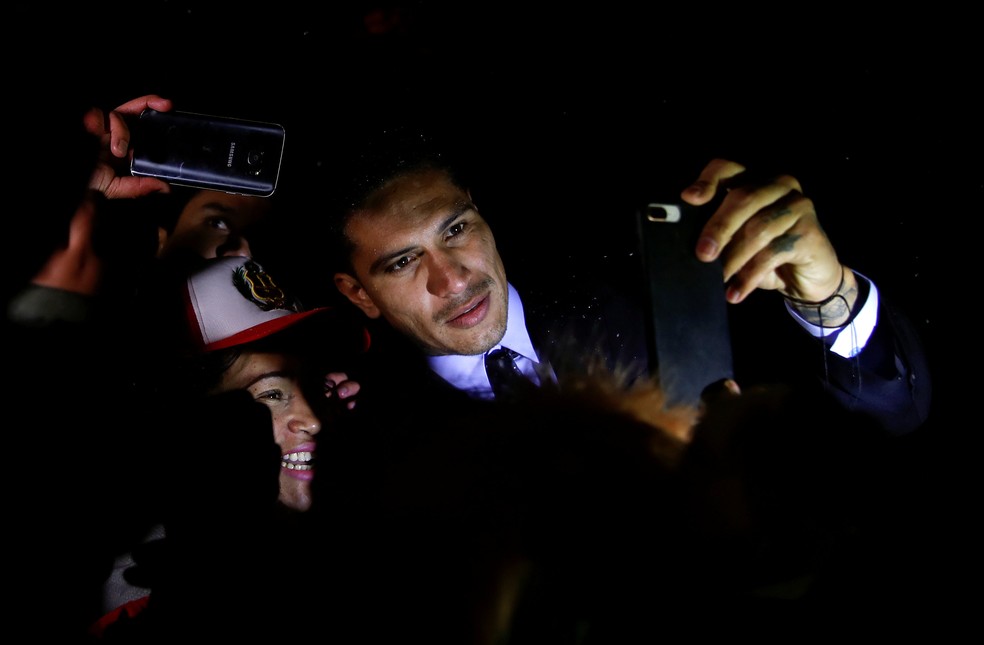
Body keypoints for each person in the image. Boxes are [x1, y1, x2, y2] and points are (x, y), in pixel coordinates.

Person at [322, 126, 930, 438]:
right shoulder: (374, 434)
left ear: (481, 215)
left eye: (455, 229)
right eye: (403, 262)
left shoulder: (651, 297)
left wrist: (826, 298)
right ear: (357, 293)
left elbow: (887, 418)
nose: (452, 278)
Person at [90, 254, 369, 642]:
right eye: (271, 395)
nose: (313, 419)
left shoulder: (350, 527)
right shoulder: (145, 595)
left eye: (313, 385)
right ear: (188, 421)